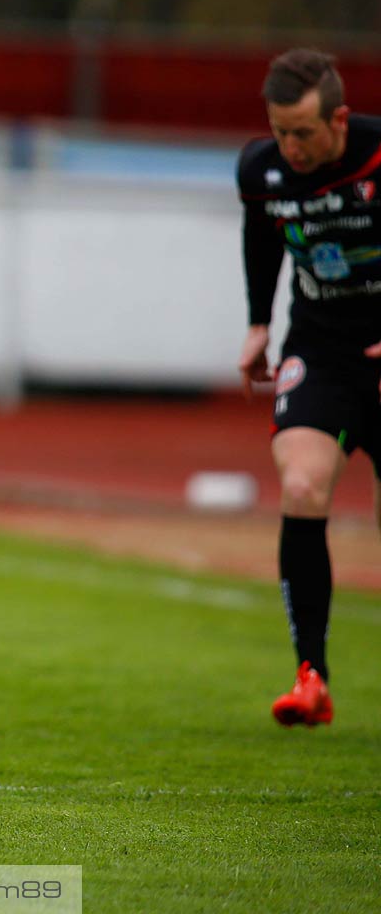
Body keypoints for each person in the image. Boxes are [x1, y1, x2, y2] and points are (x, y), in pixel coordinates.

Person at [237, 47, 381, 728]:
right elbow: (262, 240)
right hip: (321, 351)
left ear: (340, 119)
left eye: (303, 132)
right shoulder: (260, 168)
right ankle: (311, 675)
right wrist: (259, 323)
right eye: (280, 130)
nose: (290, 146)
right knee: (300, 485)